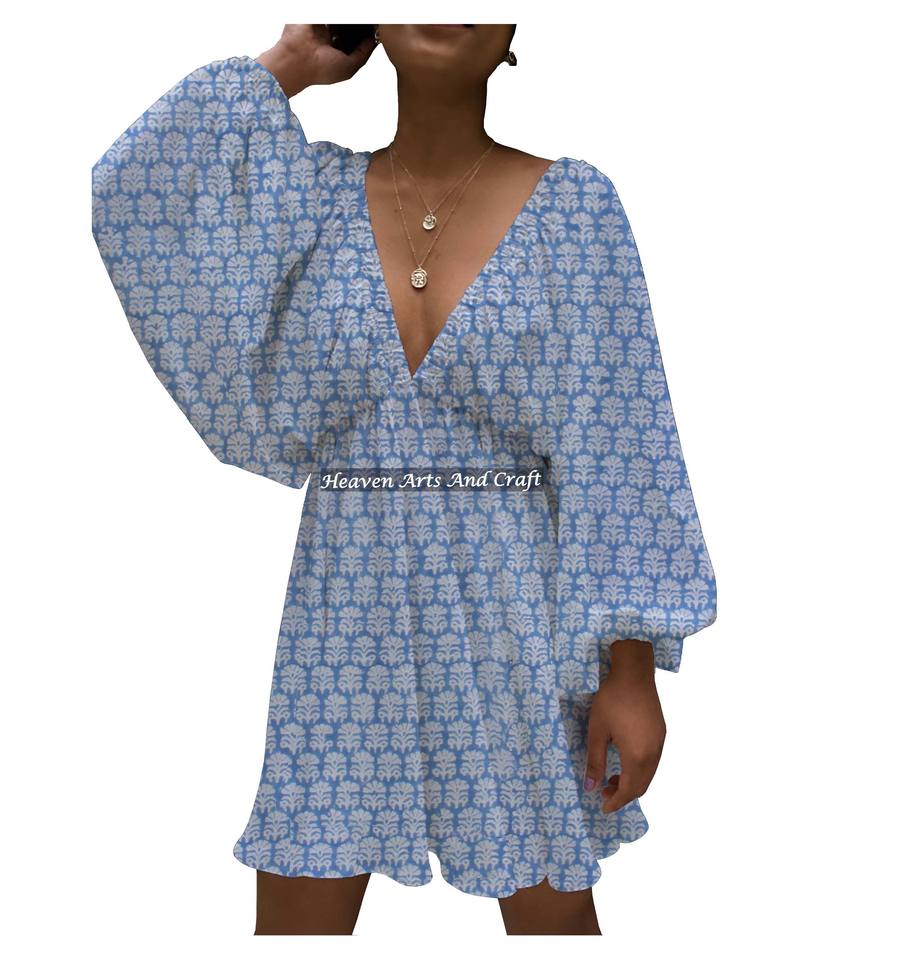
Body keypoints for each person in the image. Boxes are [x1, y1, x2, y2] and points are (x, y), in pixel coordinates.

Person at [91, 23, 717, 936]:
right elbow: (138, 188)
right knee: (298, 917)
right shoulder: (307, 200)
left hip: (518, 616)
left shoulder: (577, 209)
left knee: (550, 917)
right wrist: (291, 65)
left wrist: (630, 670)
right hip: (342, 618)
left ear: (511, 31)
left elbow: (619, 438)